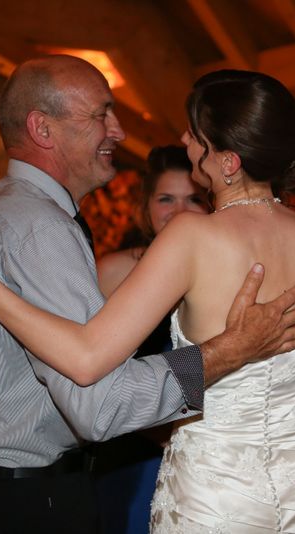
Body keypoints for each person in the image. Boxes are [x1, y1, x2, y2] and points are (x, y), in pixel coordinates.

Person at [0, 69, 295, 532]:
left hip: (218, 487)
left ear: (228, 161)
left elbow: (87, 357)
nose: (183, 139)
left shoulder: (191, 235)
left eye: (194, 134)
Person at [93, 145, 209, 534]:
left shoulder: (225, 271)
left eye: (194, 199)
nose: (180, 211)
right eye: (166, 199)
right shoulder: (112, 271)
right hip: (131, 450)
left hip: (205, 447)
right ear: (146, 207)